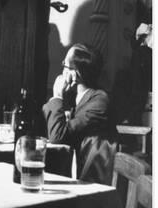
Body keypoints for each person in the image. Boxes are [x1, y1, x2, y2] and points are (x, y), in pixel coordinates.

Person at [42, 43, 117, 185]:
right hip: (71, 167)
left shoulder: (99, 101)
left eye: (65, 65)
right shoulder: (71, 95)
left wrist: (57, 96)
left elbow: (57, 136)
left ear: (76, 73)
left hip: (92, 178)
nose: (62, 68)